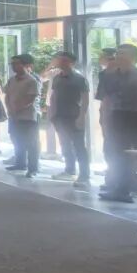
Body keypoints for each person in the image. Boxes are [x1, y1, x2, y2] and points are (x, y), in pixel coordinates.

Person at [96, 43, 137, 203]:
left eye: (123, 53)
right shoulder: (109, 76)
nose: (118, 56)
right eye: (118, 53)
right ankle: (121, 190)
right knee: (118, 156)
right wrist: (105, 120)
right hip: (117, 117)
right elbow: (105, 99)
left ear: (133, 58)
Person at [48, 51, 92, 189]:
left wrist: (82, 116)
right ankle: (69, 170)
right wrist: (52, 113)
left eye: (64, 60)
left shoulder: (79, 79)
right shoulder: (57, 78)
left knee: (79, 146)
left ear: (72, 63)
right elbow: (54, 96)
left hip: (74, 116)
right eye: (60, 60)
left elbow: (85, 99)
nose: (61, 62)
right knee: (65, 144)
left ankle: (84, 175)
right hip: (59, 116)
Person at [5, 54, 41, 178]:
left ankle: (33, 168)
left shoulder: (32, 81)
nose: (13, 66)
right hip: (13, 116)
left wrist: (18, 109)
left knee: (31, 143)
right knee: (16, 140)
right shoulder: (11, 80)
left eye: (16, 63)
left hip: (28, 117)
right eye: (12, 64)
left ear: (25, 65)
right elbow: (7, 96)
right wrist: (9, 109)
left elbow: (31, 98)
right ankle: (20, 163)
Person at [94, 47, 118, 175]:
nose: (99, 58)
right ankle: (112, 169)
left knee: (113, 140)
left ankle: (115, 169)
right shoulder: (103, 74)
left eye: (102, 56)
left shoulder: (107, 74)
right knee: (109, 140)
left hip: (113, 111)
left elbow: (104, 95)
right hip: (107, 109)